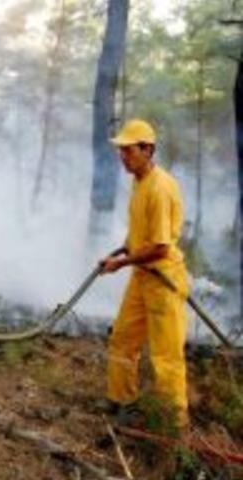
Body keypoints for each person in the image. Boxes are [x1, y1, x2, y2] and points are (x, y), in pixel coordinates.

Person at [99, 119, 190, 429]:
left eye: (129, 151)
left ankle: (172, 428)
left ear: (148, 149)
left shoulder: (160, 188)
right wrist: (122, 250)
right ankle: (121, 401)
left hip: (163, 281)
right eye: (121, 151)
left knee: (166, 357)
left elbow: (161, 247)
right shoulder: (139, 181)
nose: (123, 157)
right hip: (142, 277)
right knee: (123, 339)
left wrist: (120, 265)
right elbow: (142, 233)